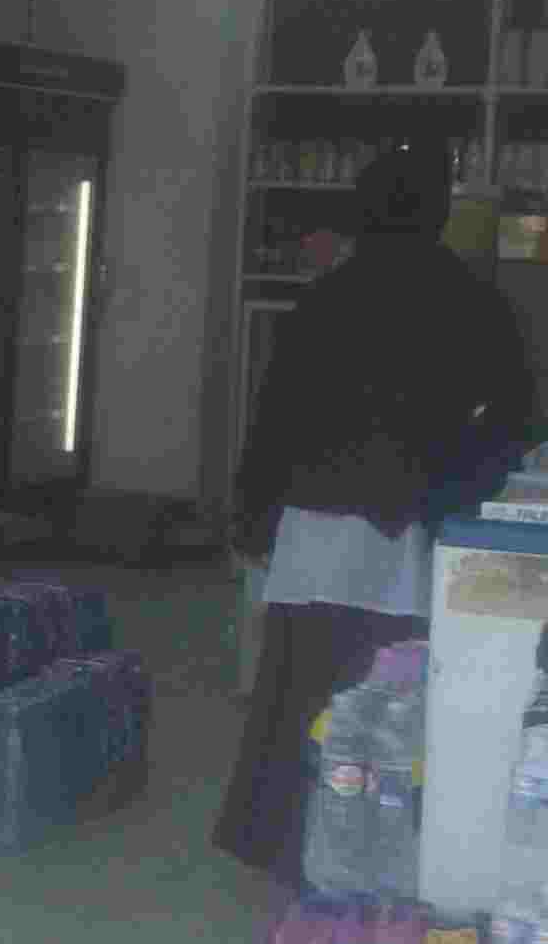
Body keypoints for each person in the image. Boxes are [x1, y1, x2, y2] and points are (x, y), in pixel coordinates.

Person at [217, 138, 536, 879]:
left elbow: (275, 418)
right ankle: (377, 856)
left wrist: (252, 512)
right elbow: (512, 420)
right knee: (391, 691)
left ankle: (279, 846)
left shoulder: (324, 299)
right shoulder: (472, 300)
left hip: (313, 521)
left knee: (296, 686)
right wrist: (454, 496)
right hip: (407, 526)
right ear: (438, 211)